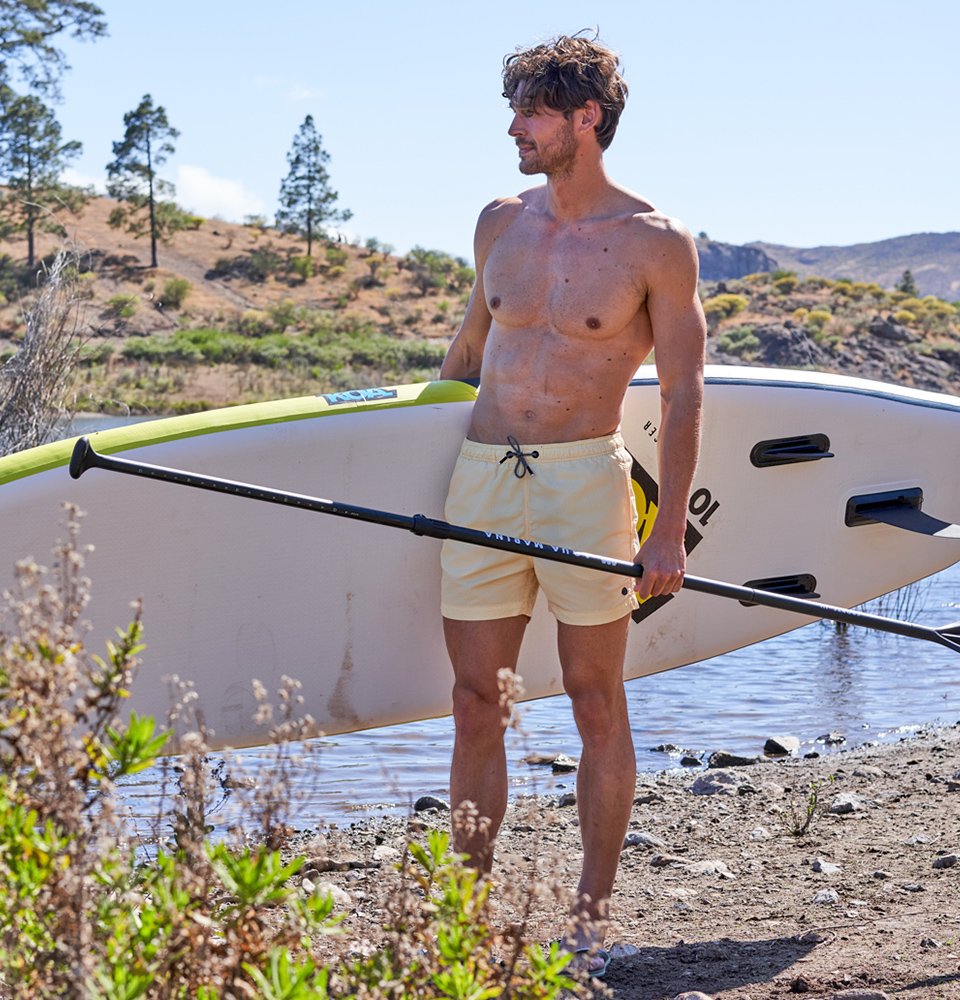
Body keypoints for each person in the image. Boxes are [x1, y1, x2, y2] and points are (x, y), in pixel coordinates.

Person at [438, 33, 706, 976]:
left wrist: (667, 529)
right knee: (476, 701)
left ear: (585, 119)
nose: (515, 127)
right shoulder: (498, 222)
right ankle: (466, 921)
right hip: (481, 476)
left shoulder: (655, 242)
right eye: (515, 109)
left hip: (585, 482)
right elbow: (465, 357)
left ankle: (589, 919)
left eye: (533, 111)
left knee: (595, 698)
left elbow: (682, 394)